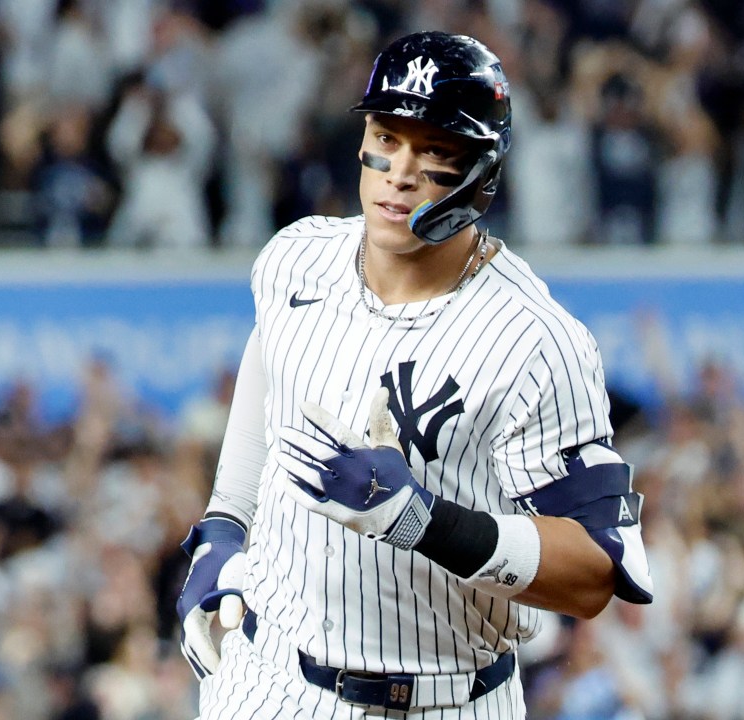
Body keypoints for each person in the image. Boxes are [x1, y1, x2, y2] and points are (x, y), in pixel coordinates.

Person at [175, 31, 653, 719]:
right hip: (268, 679)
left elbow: (597, 570)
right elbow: (269, 358)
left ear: (483, 172)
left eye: (435, 150)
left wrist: (420, 521)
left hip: (444, 696)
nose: (400, 170)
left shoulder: (535, 340)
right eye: (387, 136)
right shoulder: (295, 258)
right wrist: (224, 524)